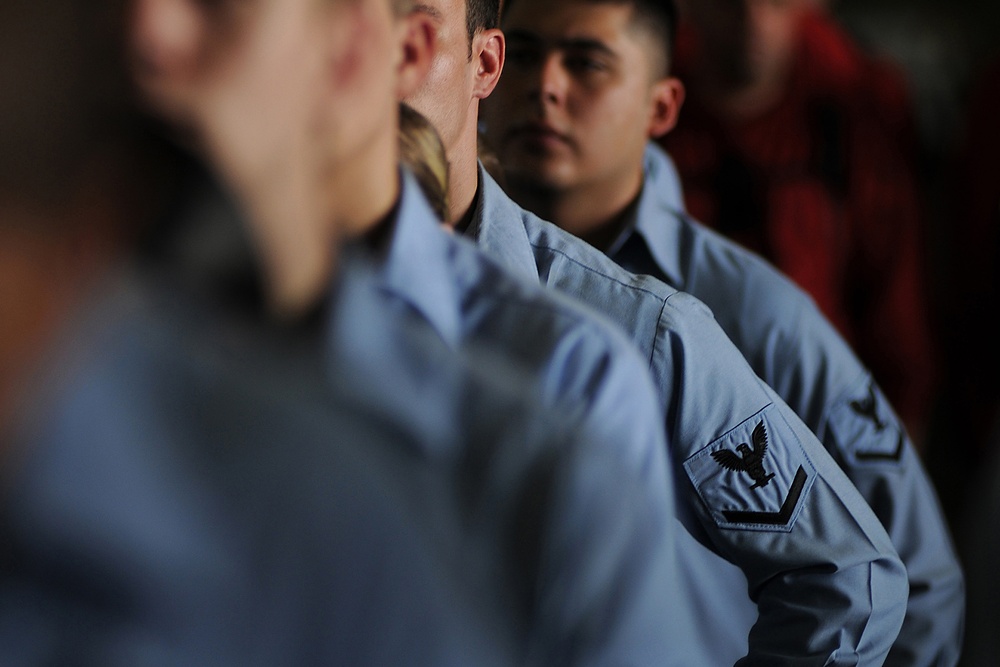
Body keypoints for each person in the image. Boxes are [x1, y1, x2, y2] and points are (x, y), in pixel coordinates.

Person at [0, 0, 687, 663]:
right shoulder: (39, 386)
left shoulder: (543, 472)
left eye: (220, 4)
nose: (146, 35)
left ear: (352, 52)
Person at [401, 0, 916, 662]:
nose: (379, 60)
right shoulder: (251, 306)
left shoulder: (633, 334)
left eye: (412, 28)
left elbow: (847, 576)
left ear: (485, 63)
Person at [660, 0, 938, 449]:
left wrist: (896, 452)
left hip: (829, 420)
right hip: (678, 415)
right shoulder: (639, 93)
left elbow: (896, 309)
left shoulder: (857, 104)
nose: (753, 22)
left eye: (775, 2)